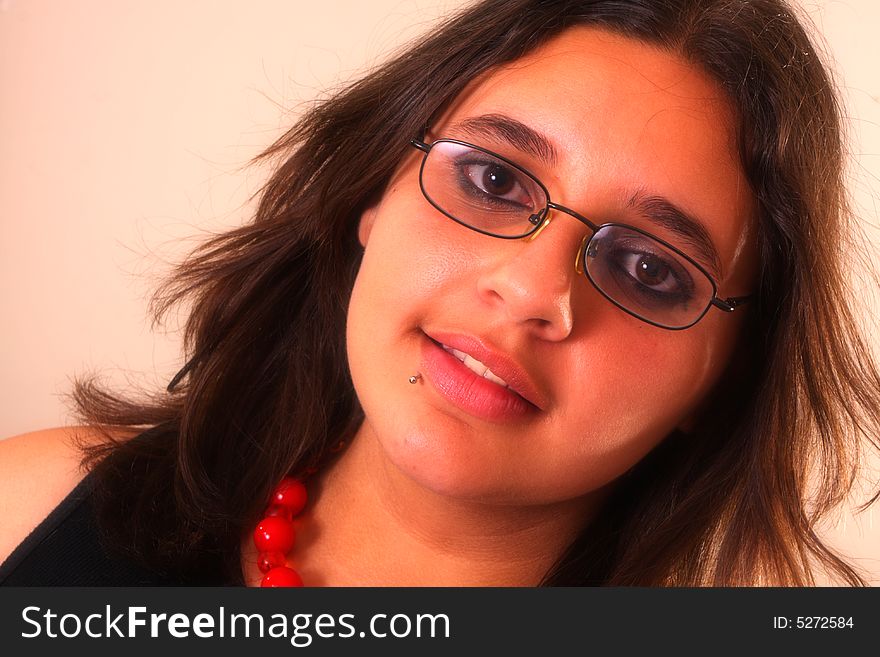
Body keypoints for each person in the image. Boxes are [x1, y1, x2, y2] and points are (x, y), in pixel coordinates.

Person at [1, 0, 879, 587]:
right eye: (495, 180)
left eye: (650, 268)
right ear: (374, 194)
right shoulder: (29, 508)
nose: (534, 288)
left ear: (724, 376)